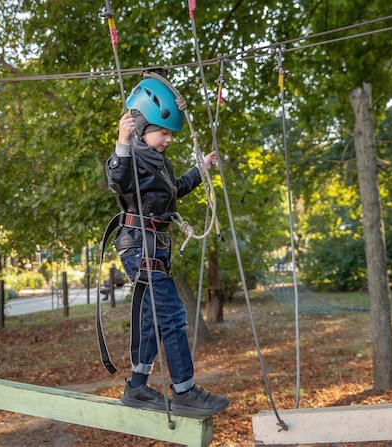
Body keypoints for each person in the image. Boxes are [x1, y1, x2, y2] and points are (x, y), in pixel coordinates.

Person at [105, 77, 229, 416]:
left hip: (155, 247)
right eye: (164, 132)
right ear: (142, 126)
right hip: (138, 247)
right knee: (173, 315)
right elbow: (117, 180)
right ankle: (185, 391)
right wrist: (121, 141)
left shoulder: (159, 163)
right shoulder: (131, 158)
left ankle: (137, 387)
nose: (168, 140)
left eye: (171, 134)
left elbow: (175, 189)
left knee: (154, 319)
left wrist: (201, 168)